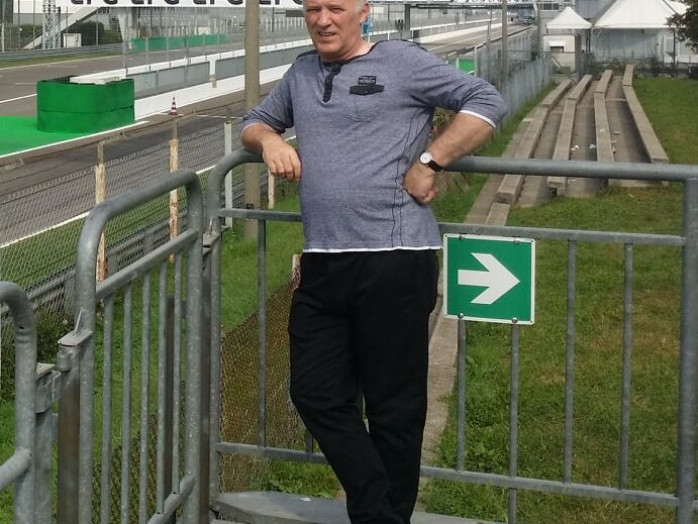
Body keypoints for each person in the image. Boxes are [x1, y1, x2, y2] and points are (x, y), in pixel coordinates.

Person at [240, 0, 507, 521]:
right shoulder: (301, 72)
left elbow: (486, 101)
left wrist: (430, 162)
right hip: (323, 259)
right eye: (312, 9)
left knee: (393, 408)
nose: (322, 20)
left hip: (395, 257)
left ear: (363, 11)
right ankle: (376, 500)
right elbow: (253, 122)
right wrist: (269, 139)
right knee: (313, 392)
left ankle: (380, 514)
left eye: (335, 8)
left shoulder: (401, 61)